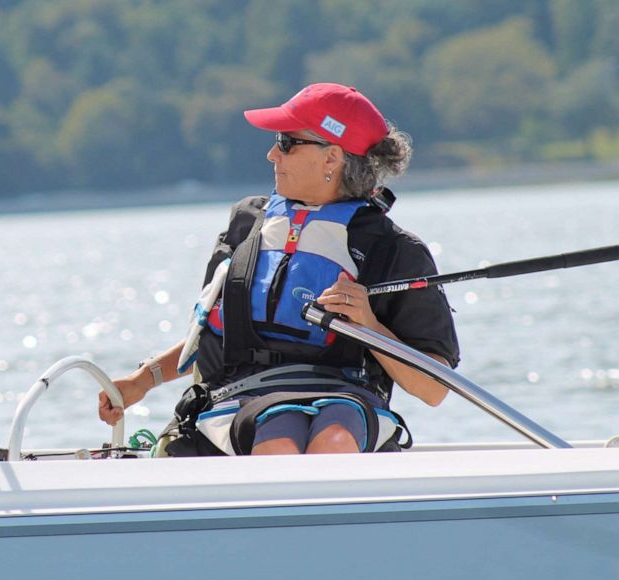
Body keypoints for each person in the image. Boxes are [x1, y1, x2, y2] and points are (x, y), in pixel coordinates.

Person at [98, 83, 459, 456]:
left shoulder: (397, 251)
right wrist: (142, 381)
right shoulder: (247, 223)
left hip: (346, 401)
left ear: (331, 158)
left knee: (333, 436)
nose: (273, 154)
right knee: (279, 437)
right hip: (238, 400)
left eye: (287, 142)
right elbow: (212, 334)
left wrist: (369, 325)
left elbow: (433, 390)